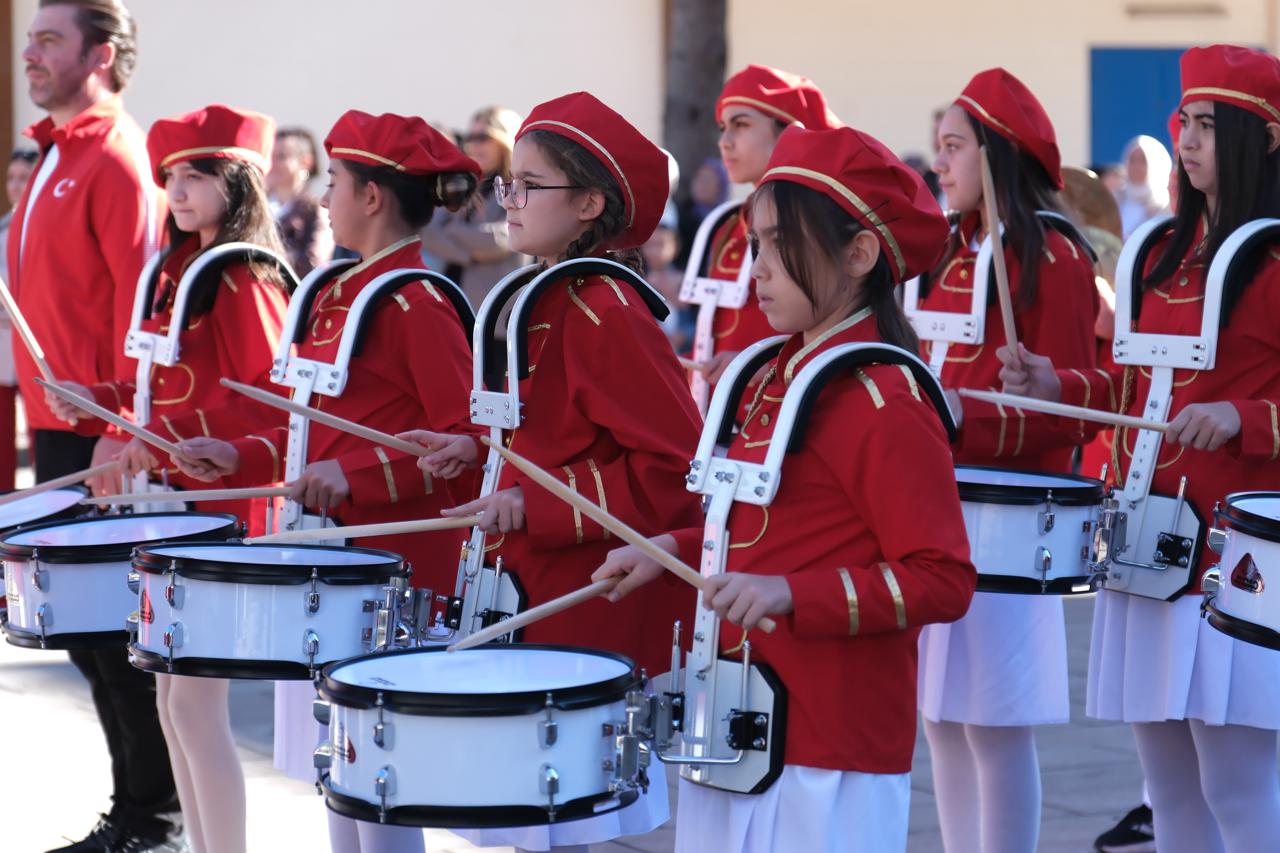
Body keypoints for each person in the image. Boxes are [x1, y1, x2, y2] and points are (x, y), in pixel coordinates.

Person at [592, 123, 977, 853]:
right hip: (732, 723)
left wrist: (794, 593)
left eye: (778, 244)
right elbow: (763, 532)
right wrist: (667, 551)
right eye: (755, 243)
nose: (756, 269)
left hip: (827, 747)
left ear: (858, 254)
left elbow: (943, 578)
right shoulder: (772, 374)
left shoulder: (885, 398)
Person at [169, 109, 483, 853]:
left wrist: (356, 476)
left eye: (334, 181)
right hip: (335, 560)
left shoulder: (418, 303)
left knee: (376, 774)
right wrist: (240, 453)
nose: (321, 196)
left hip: (392, 565)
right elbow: (306, 432)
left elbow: (468, 446)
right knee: (339, 765)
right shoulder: (333, 291)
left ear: (372, 197)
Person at [398, 91, 703, 852]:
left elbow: (674, 471)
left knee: (555, 824)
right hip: (523, 588)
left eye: (531, 185)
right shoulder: (543, 296)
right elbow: (546, 429)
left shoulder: (607, 310)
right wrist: (476, 449)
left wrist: (533, 505)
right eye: (511, 183)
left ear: (590, 205)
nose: (510, 199)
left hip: (580, 598)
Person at [1000, 43, 1280, 853]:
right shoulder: (1158, 256)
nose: (1186, 139)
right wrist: (1057, 382)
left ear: (1263, 139)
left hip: (1238, 555)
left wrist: (1245, 417)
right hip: (1145, 545)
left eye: (1209, 125)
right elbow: (1133, 393)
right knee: (1170, 785)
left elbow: (1240, 408)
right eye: (1184, 120)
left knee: (1237, 783)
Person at [46, 104, 288, 853]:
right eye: (171, 177)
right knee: (173, 701)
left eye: (196, 175)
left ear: (238, 182)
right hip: (175, 505)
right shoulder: (177, 271)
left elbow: (268, 405)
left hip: (220, 510)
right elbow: (167, 387)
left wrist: (167, 446)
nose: (176, 191)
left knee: (195, 707)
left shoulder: (244, 277)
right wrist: (99, 398)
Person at [10, 2, 181, 850]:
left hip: (101, 434)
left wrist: (124, 424)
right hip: (58, 424)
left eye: (49, 39)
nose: (29, 53)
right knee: (85, 635)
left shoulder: (114, 155)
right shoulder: (55, 151)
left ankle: (155, 819)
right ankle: (136, 813)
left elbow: (140, 302)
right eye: (31, 38)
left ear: (100, 55)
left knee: (114, 638)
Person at [916, 68, 1099, 853]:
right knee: (941, 716)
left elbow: (1069, 409)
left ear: (998, 154)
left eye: (955, 146)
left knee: (994, 721)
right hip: (938, 498)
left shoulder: (1050, 252)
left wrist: (969, 412)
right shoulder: (951, 250)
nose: (940, 163)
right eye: (938, 146)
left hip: (1012, 516)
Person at [690, 64, 841, 407]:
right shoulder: (726, 225)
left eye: (741, 125)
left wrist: (762, 367)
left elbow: (838, 334)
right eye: (722, 128)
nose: (724, 142)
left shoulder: (819, 227)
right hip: (715, 417)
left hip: (787, 415)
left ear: (790, 133)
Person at [419, 105, 527, 310]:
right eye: (470, 137)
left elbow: (501, 240)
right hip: (456, 305)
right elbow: (427, 231)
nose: (473, 145)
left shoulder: (520, 187)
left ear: (505, 140)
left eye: (483, 137)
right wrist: (470, 248)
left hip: (496, 312)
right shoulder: (464, 184)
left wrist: (450, 232)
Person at [0, 149, 38, 491]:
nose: (15, 185)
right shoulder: (2, 228)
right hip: (2, 342)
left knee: (42, 428)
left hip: (35, 341)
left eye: (23, 178)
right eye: (12, 178)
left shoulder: (45, 229)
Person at [267, 125, 333, 276]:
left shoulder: (317, 210)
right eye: (270, 156)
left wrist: (264, 259)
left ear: (305, 162)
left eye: (281, 157)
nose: (272, 164)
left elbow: (315, 262)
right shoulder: (258, 206)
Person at [1115, 134, 1173, 238]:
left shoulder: (1164, 205)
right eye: (1132, 160)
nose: (1136, 166)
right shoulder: (1117, 199)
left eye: (1143, 160)